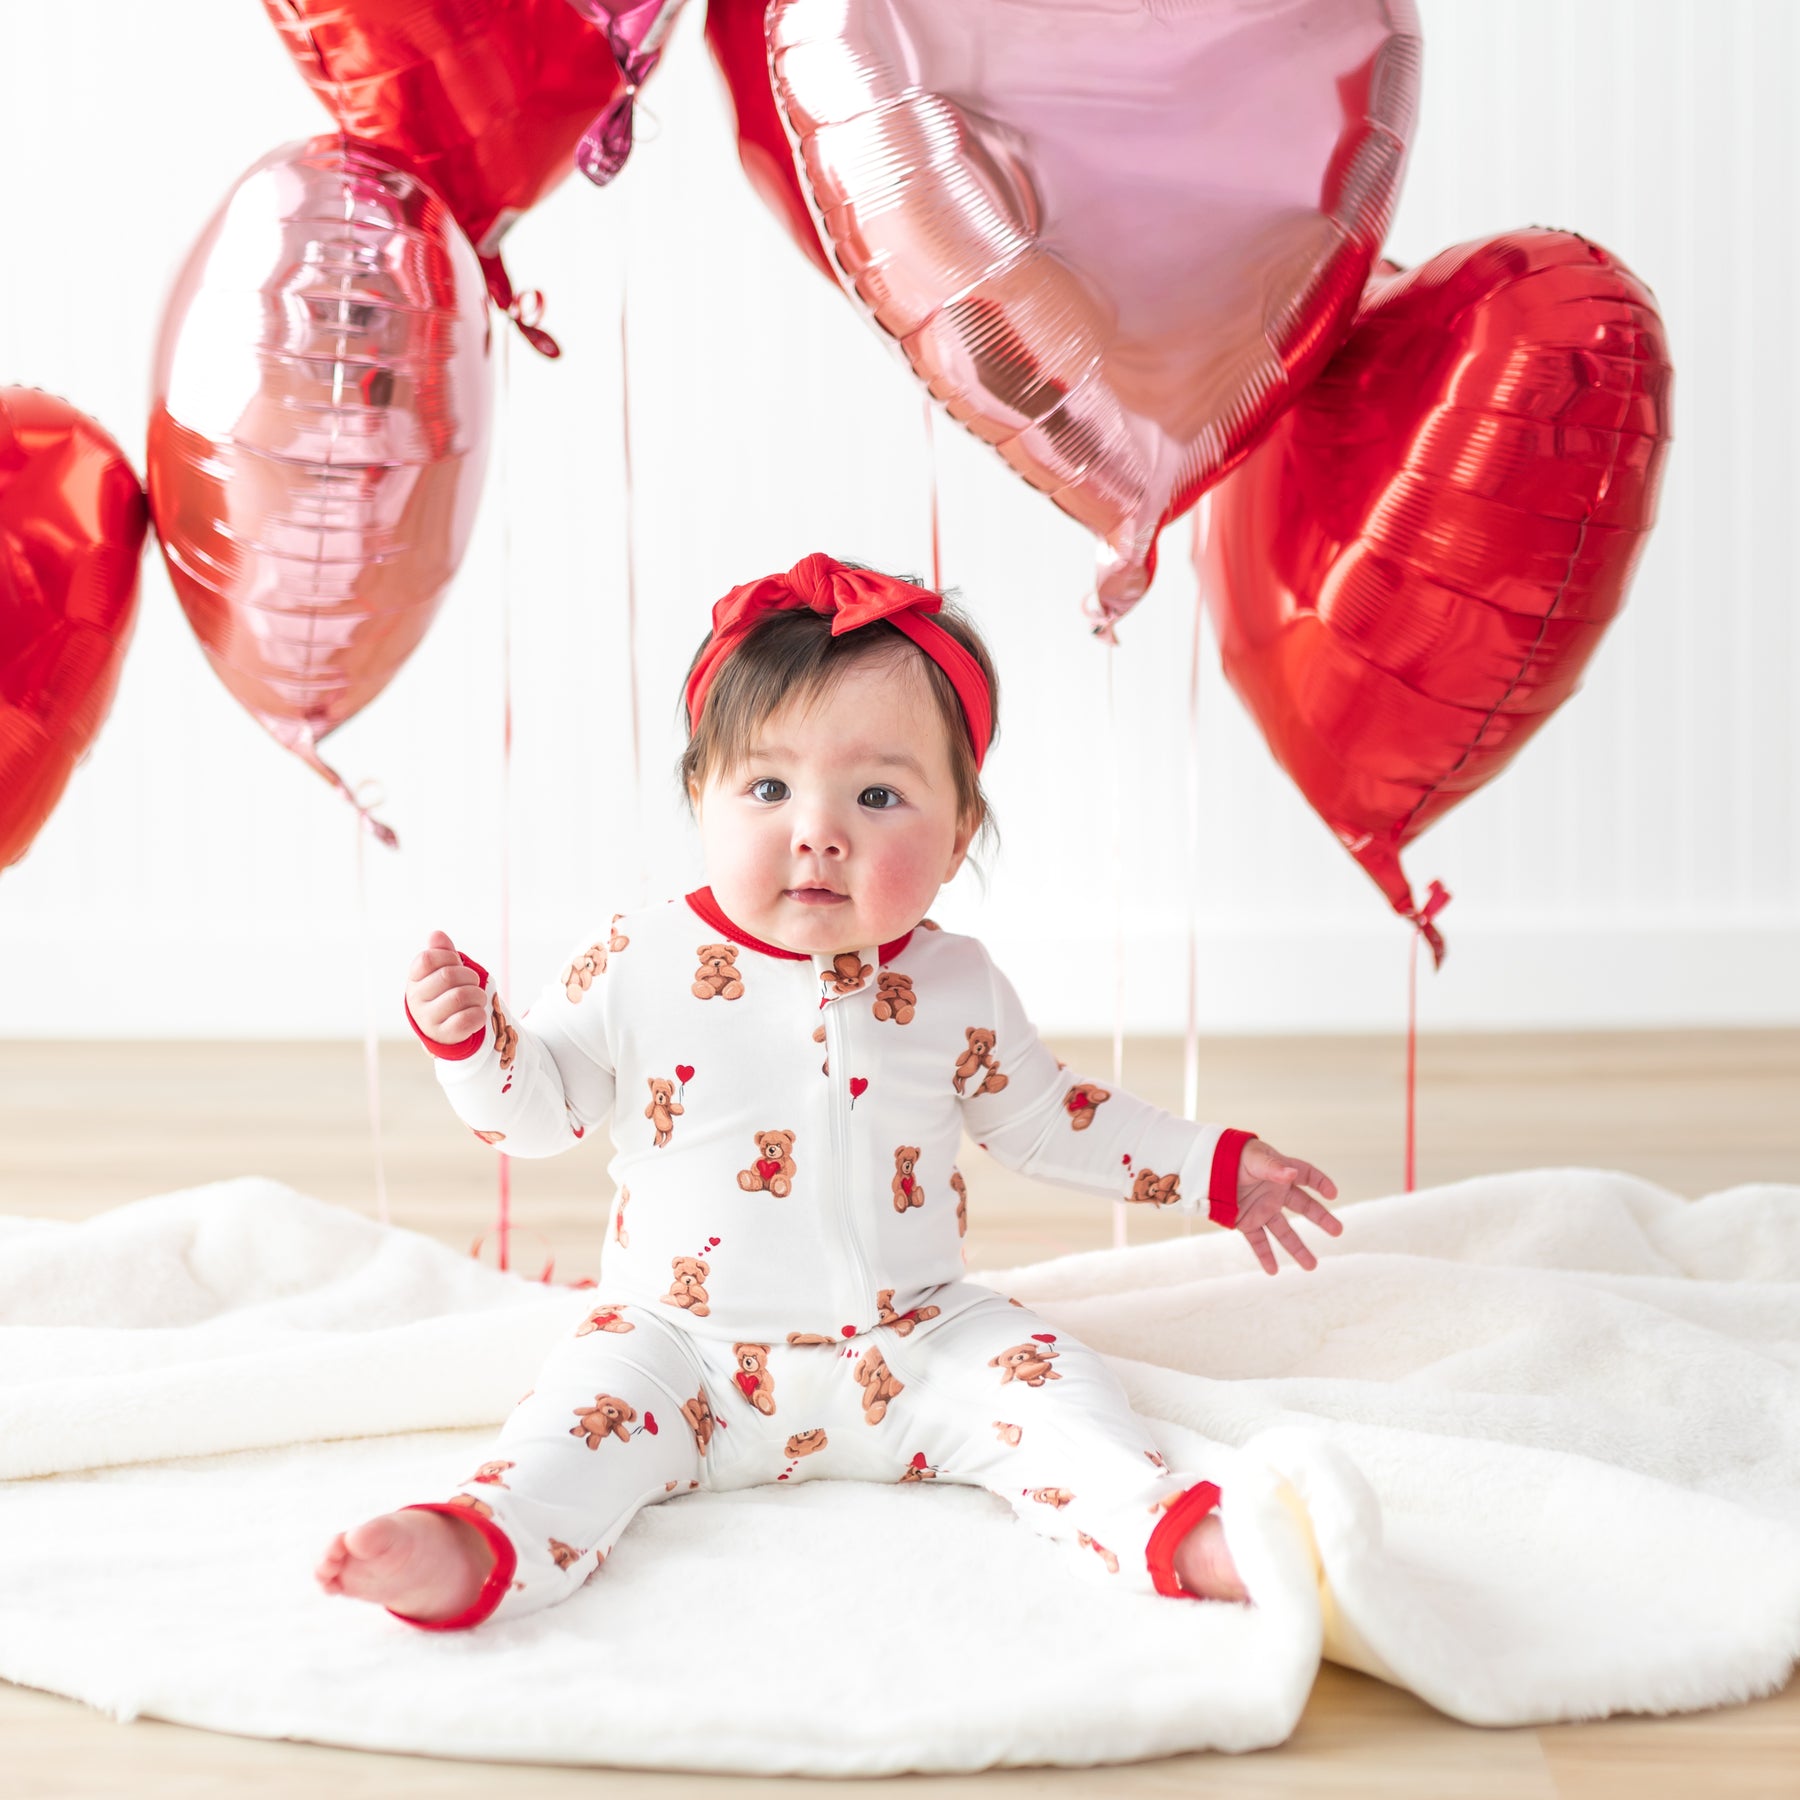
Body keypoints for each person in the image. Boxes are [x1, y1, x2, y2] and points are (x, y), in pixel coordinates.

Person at [314, 552, 1342, 1630]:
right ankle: (476, 1538)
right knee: (573, 1422)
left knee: (1058, 1390)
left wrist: (1215, 1168)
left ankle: (1178, 1534)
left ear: (956, 839)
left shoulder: (956, 983)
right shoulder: (637, 957)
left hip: (917, 1344)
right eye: (768, 787)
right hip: (682, 1351)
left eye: (878, 794)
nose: (817, 829)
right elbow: (538, 1113)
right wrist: (474, 1043)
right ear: (699, 800)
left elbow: (1049, 1120)